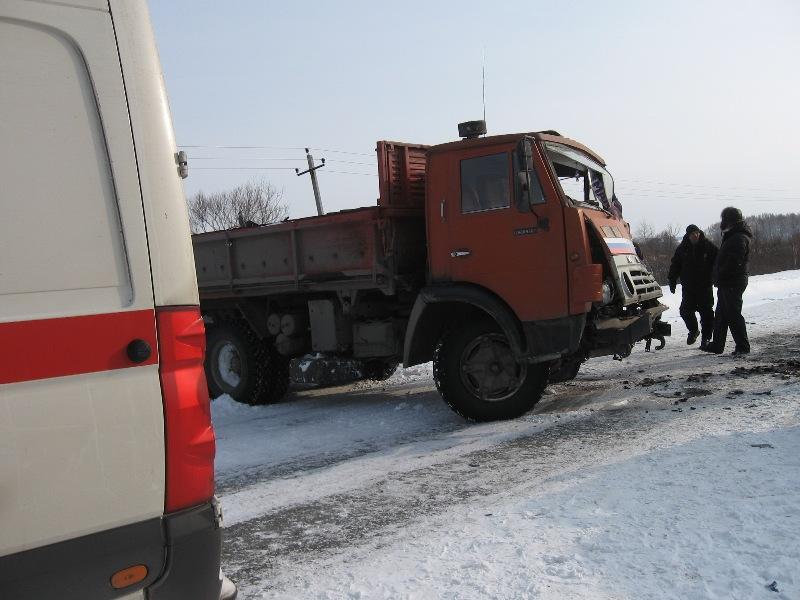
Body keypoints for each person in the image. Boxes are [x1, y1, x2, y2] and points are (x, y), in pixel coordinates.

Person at [701, 207, 753, 355]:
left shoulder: (738, 238)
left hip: (732, 282)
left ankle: (743, 347)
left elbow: (734, 262)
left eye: (724, 220)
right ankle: (717, 345)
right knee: (722, 315)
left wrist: (721, 274)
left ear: (730, 221)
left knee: (733, 315)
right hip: (728, 282)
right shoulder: (733, 235)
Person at [668, 224, 718, 346]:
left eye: (697, 233)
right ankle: (694, 330)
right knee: (685, 311)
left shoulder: (708, 246)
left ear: (699, 233)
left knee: (706, 313)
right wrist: (672, 280)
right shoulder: (682, 248)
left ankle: (706, 338)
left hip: (705, 286)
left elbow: (718, 262)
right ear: (688, 235)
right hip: (688, 287)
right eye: (692, 234)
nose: (695, 235)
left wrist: (717, 277)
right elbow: (675, 265)